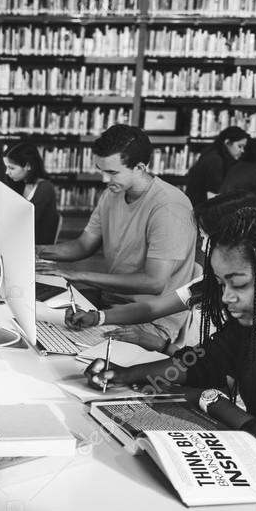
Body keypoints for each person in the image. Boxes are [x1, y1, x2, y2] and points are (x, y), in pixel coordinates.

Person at [84, 209, 256, 511]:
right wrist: (126, 374)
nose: (225, 298)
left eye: (239, 284)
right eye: (222, 284)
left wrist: (208, 399)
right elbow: (199, 363)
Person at [37, 124, 197, 347]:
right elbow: (83, 245)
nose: (104, 179)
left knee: (61, 346)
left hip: (149, 321)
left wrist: (80, 276)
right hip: (109, 303)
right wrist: (35, 250)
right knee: (36, 318)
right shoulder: (113, 193)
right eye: (101, 170)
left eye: (112, 172)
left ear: (140, 167)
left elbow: (153, 283)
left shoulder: (169, 207)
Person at [65, 191, 256, 353]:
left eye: (207, 239)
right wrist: (97, 317)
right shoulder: (210, 284)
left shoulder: (253, 306)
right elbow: (152, 309)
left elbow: (210, 370)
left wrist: (161, 346)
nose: (203, 248)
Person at [3, 141, 59, 244]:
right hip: (18, 240)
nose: (7, 172)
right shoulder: (20, 183)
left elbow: (25, 222)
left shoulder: (45, 188)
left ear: (28, 166)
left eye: (11, 168)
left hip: (35, 247)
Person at [184, 126, 250, 207]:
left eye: (244, 147)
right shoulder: (216, 161)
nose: (242, 151)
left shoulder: (211, 155)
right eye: (239, 146)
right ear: (227, 142)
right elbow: (214, 194)